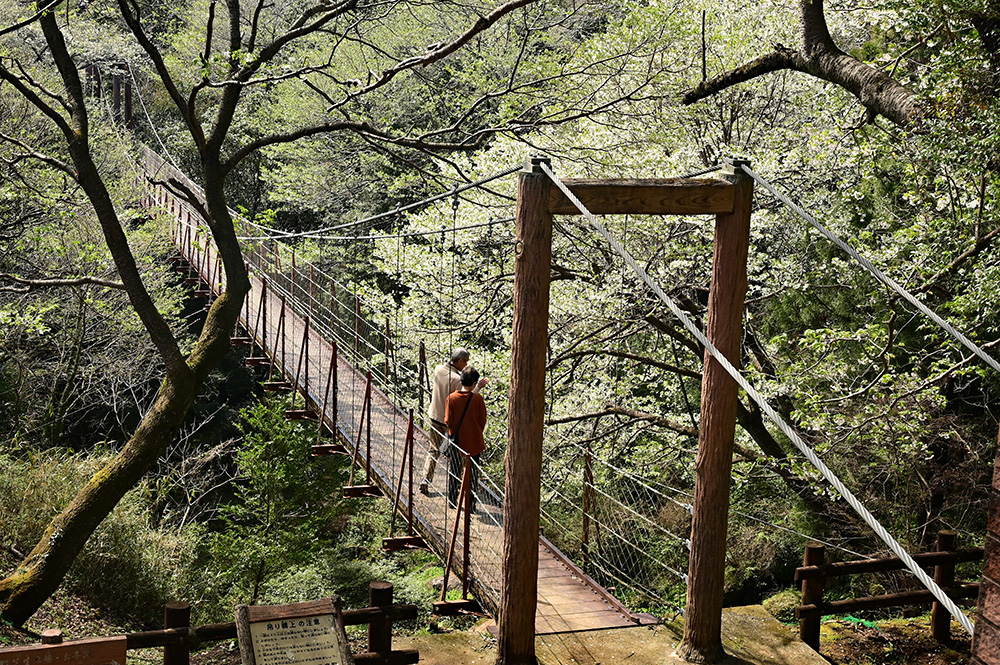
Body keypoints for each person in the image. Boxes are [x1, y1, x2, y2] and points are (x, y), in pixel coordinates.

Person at [420, 348, 486, 493]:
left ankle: (426, 479)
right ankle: (458, 486)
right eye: (465, 362)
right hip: (449, 421)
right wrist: (478, 387)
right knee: (457, 455)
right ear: (460, 361)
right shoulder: (456, 379)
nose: (466, 365)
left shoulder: (438, 369)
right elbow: (466, 397)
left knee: (433, 450)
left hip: (434, 416)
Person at [445, 366, 487, 511]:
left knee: (454, 471)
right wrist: (475, 431)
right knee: (473, 475)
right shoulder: (478, 399)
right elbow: (482, 420)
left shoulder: (451, 398)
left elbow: (448, 421)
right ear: (474, 383)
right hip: (474, 442)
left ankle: (452, 501)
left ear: (461, 381)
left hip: (457, 442)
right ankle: (471, 505)